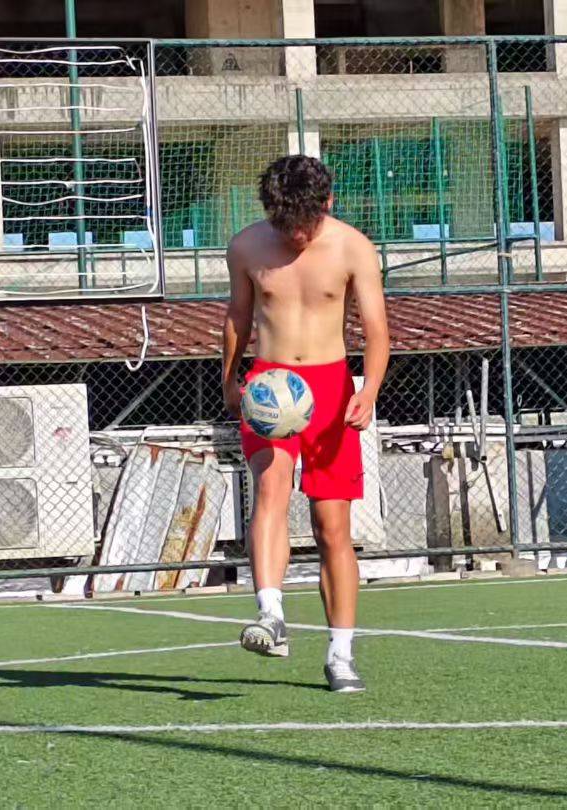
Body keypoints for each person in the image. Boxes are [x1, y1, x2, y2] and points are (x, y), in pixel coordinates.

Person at [221, 155, 389, 694]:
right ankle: (270, 613)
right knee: (270, 490)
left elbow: (377, 328)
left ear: (328, 204)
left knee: (331, 528)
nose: (295, 234)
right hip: (269, 389)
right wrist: (230, 379)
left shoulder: (353, 247)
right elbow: (238, 316)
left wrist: (369, 389)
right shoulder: (247, 246)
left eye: (305, 222)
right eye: (284, 222)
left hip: (332, 390)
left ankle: (341, 654)